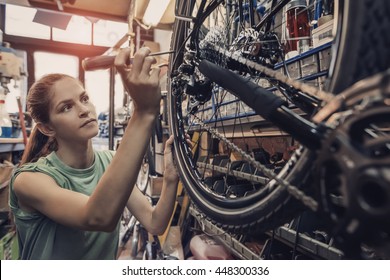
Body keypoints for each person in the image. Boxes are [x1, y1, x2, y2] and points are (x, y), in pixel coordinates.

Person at [8, 47, 180, 259]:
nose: (84, 109)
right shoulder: (28, 180)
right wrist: (143, 111)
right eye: (66, 107)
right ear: (47, 128)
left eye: (85, 98)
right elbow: (97, 218)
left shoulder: (109, 161)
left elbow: (155, 223)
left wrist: (171, 178)